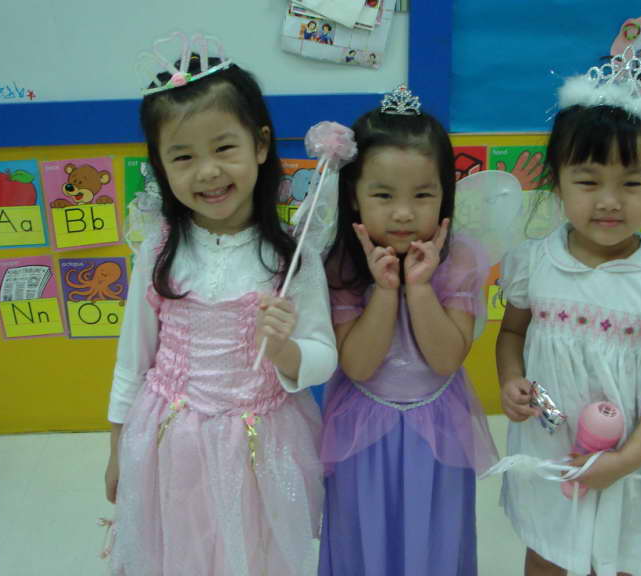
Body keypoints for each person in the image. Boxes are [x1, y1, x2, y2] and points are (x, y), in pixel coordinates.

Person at [104, 37, 336, 575]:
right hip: (170, 443)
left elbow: (324, 354)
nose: (208, 172)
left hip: (259, 447)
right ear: (161, 166)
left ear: (260, 144)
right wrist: (117, 450)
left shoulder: (291, 256)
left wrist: (285, 351)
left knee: (252, 553)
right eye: (183, 157)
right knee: (180, 548)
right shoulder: (159, 249)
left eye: (224, 148)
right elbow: (131, 360)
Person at [497, 64, 641, 576]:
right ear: (558, 181)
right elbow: (512, 332)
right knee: (546, 551)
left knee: (618, 556)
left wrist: (625, 462)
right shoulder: (533, 263)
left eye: (632, 183)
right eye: (588, 181)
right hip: (549, 447)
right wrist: (510, 380)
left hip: (628, 460)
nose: (609, 202)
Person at [318, 86, 497, 576]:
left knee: (433, 536)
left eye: (422, 195)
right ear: (354, 197)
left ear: (445, 195)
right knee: (364, 536)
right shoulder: (340, 263)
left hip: (437, 424)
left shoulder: (459, 257)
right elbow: (358, 365)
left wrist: (418, 287)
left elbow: (446, 359)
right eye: (383, 195)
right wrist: (384, 290)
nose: (403, 212)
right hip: (362, 428)